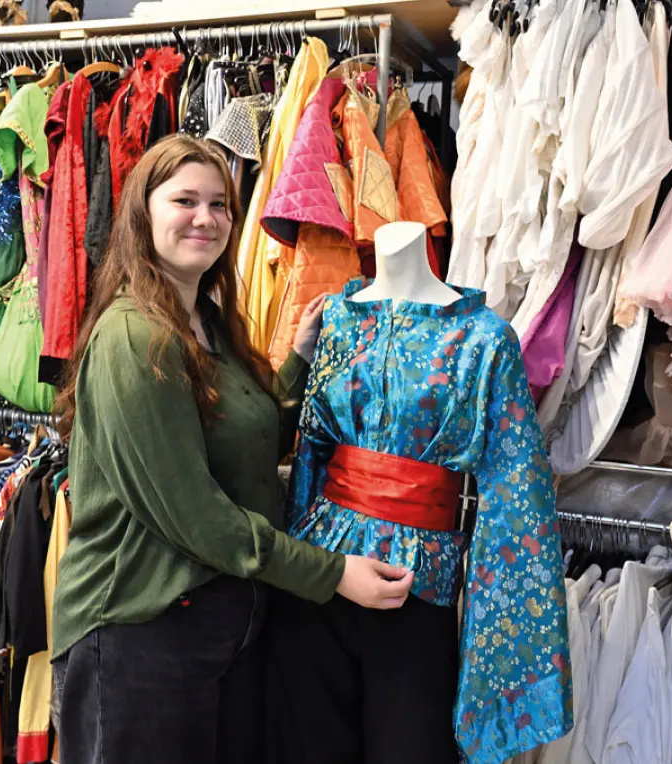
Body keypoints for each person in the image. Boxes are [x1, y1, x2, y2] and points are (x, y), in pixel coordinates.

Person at [51, 134, 415, 764]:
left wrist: (298, 360)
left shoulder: (208, 325)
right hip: (140, 630)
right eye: (185, 200)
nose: (207, 218)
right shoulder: (135, 336)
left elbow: (248, 440)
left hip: (219, 625)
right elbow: (197, 515)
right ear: (143, 212)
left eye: (221, 205)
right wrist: (331, 575)